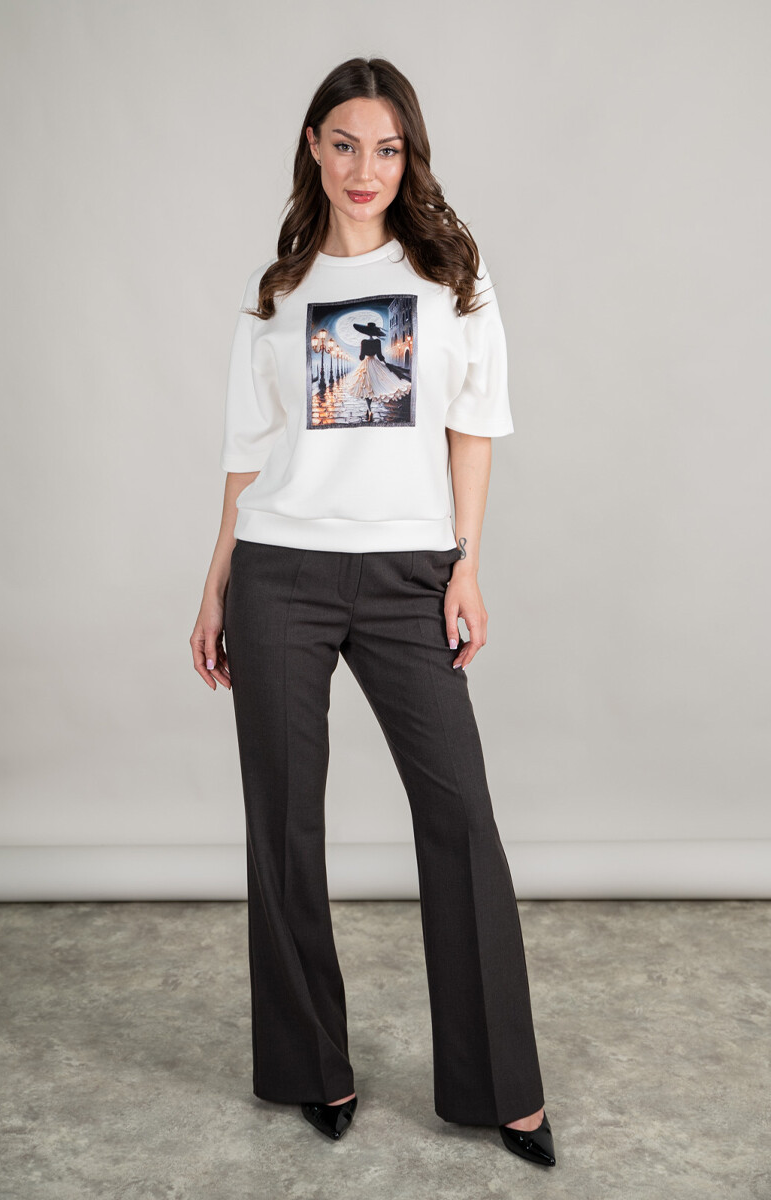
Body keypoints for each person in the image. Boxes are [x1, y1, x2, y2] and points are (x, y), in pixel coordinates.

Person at [190, 56, 557, 1169]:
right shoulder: (275, 290)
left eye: (387, 149)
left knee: (459, 819)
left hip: (406, 578)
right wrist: (213, 583)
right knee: (281, 824)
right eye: (346, 144)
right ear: (313, 146)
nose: (366, 169)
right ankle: (314, 1067)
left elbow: (472, 430)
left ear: (410, 156)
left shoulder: (452, 274)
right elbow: (247, 455)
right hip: (280, 574)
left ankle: (500, 1088)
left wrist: (465, 567)